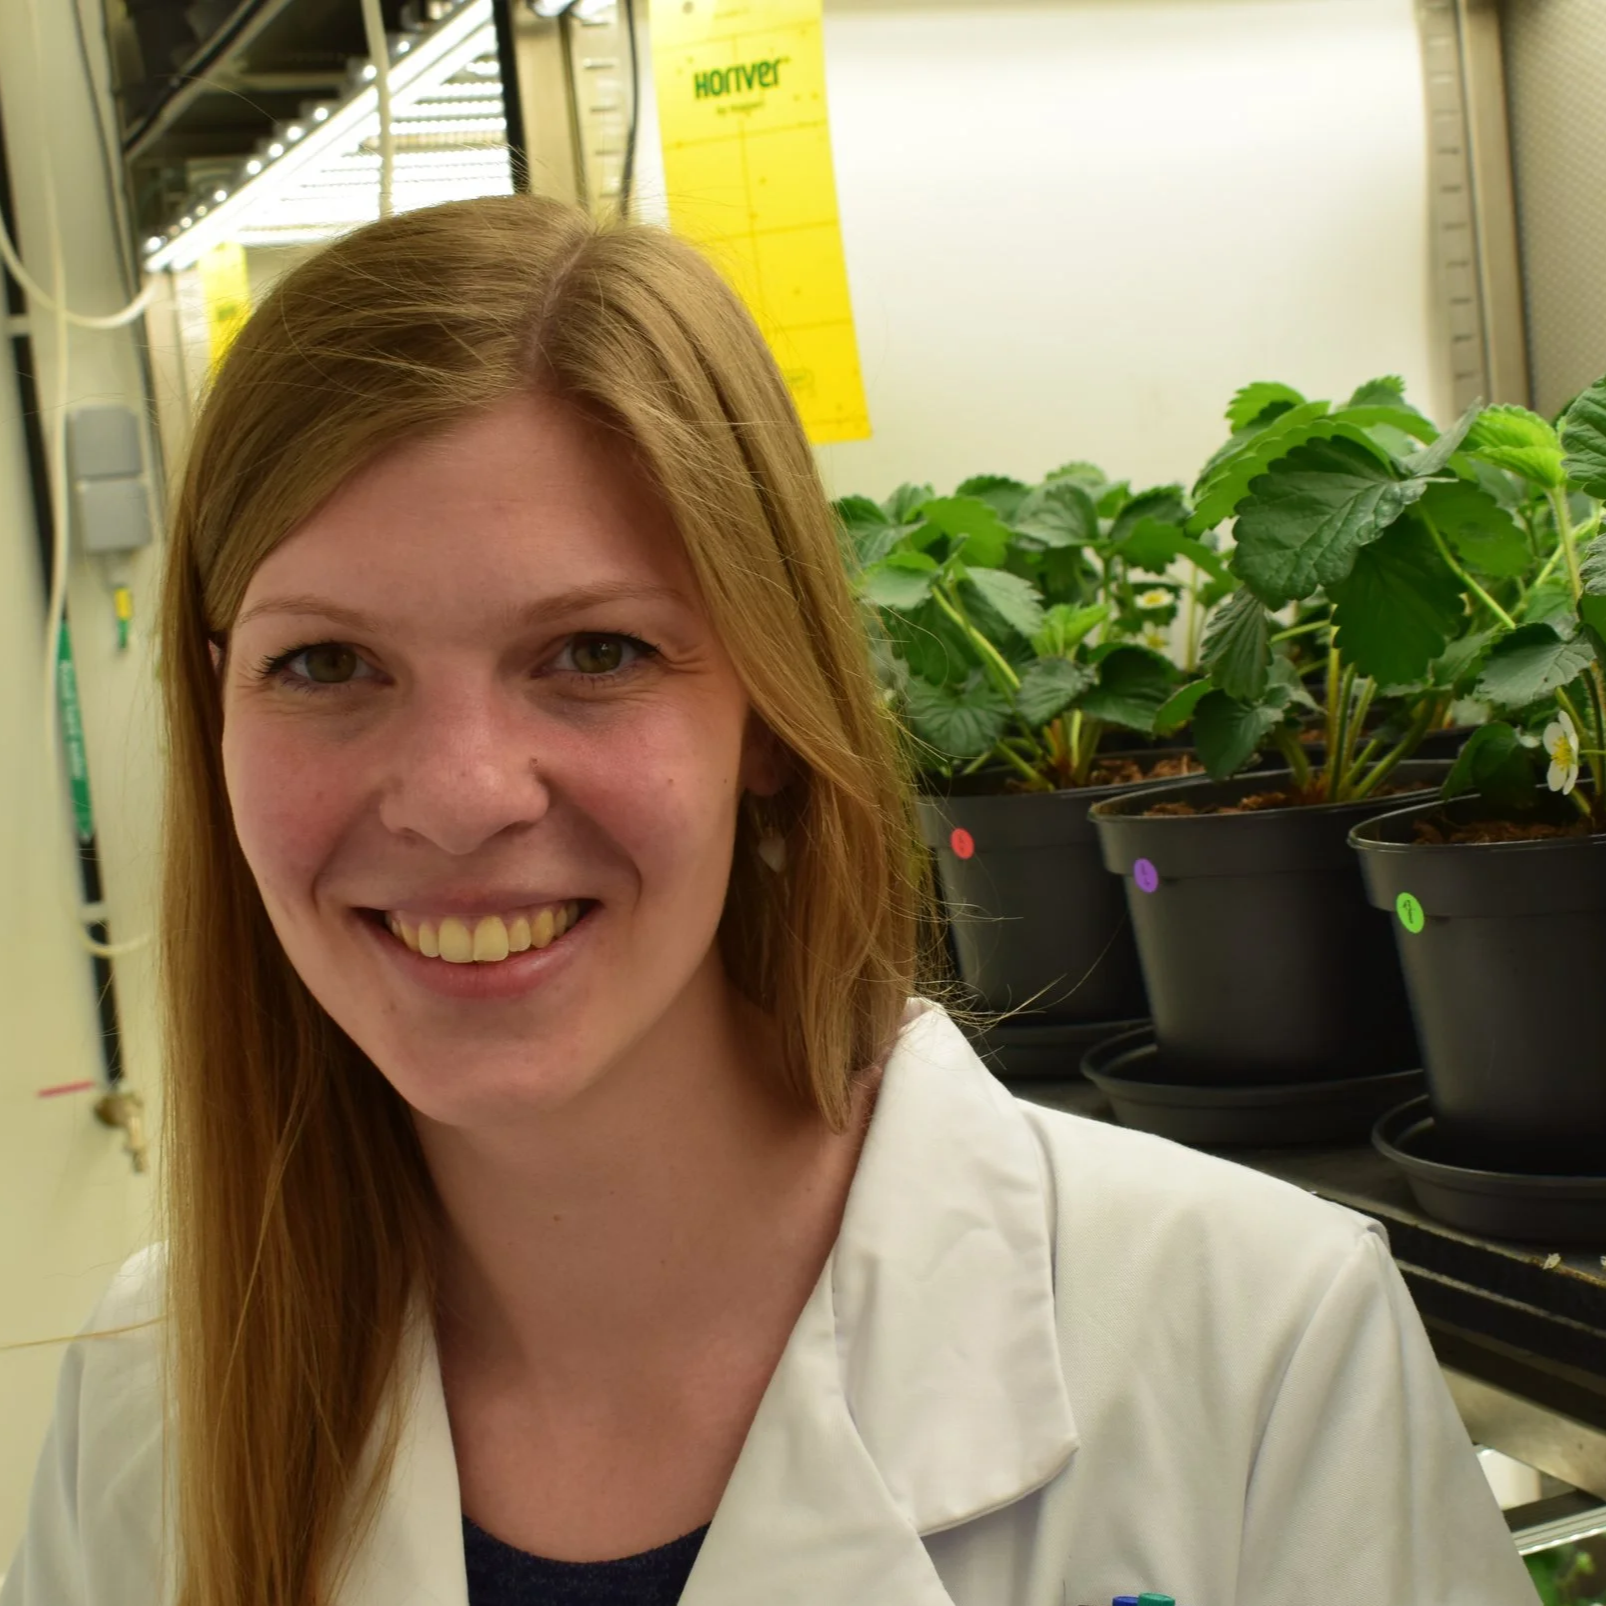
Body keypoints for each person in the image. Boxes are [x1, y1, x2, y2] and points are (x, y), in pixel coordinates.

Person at [2, 195, 1536, 1606]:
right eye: (325, 663)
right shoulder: (156, 1404)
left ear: (770, 716)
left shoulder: (1248, 1346)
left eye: (592, 651)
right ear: (217, 721)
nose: (463, 792)